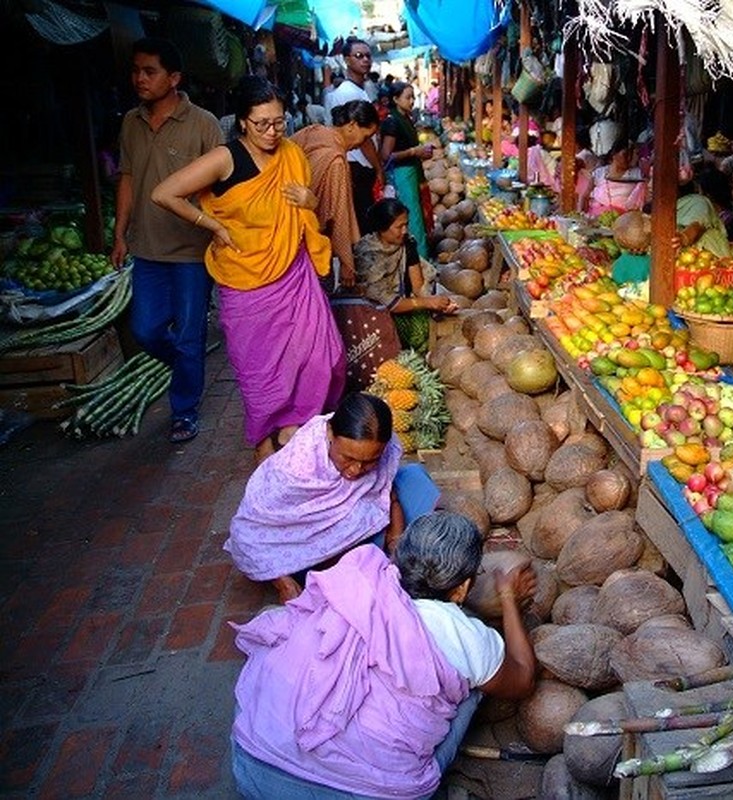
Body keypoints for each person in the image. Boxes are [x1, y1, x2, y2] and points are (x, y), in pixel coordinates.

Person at [230, 511, 538, 799]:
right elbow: (523, 680)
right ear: (461, 589)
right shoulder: (466, 636)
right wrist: (509, 598)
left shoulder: (357, 581)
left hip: (252, 765)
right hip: (362, 793)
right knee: (473, 687)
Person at [151, 76, 346, 464]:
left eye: (279, 121)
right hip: (244, 283)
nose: (273, 132)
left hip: (294, 273)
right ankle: (264, 444)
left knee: (323, 357)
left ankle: (298, 430)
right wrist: (215, 226)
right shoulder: (226, 158)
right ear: (242, 121)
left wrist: (310, 200)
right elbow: (164, 193)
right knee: (259, 372)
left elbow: (308, 216)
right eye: (262, 124)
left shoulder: (292, 154)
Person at [110, 38, 223, 445]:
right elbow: (127, 177)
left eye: (149, 71)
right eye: (136, 70)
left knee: (191, 333)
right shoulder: (130, 122)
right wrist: (120, 232)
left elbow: (219, 188)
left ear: (174, 78)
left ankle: (184, 410)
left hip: (192, 251)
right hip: (147, 249)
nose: (139, 78)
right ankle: (187, 366)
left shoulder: (204, 124)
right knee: (146, 330)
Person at [226, 392, 403, 602]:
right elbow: (248, 533)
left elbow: (387, 493)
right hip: (293, 552)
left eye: (370, 461)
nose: (356, 470)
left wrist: (396, 539)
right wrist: (283, 582)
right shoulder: (296, 468)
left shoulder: (386, 447)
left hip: (345, 532)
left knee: (417, 482)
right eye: (348, 458)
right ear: (329, 433)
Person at [291, 100, 379, 289]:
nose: (361, 145)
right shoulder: (336, 161)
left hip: (287, 233)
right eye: (365, 137)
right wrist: (347, 262)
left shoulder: (314, 131)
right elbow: (338, 215)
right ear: (352, 125)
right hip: (312, 242)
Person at [354, 199, 456, 352]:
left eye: (406, 224)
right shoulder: (368, 255)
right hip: (373, 313)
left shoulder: (407, 243)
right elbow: (386, 302)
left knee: (425, 329)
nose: (405, 230)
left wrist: (437, 304)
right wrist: (427, 303)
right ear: (382, 229)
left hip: (402, 303)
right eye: (399, 226)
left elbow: (418, 287)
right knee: (415, 335)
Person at [323, 38, 385, 233]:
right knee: (360, 224)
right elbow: (363, 139)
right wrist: (378, 168)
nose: (365, 60)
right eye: (359, 56)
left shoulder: (359, 90)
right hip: (355, 166)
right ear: (347, 60)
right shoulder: (348, 93)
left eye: (368, 55)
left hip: (358, 166)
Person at [378, 82, 435, 259]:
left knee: (417, 217)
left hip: (411, 172)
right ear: (395, 99)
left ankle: (419, 258)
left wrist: (419, 153)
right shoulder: (392, 122)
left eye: (413, 97)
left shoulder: (405, 118)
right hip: (402, 175)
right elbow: (386, 155)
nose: (412, 101)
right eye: (407, 97)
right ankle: (419, 261)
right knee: (413, 220)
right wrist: (414, 151)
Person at [586, 139, 647, 217]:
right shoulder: (599, 173)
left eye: (631, 155)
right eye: (625, 155)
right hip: (597, 216)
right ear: (614, 154)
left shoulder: (637, 174)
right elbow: (585, 196)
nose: (628, 159)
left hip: (625, 219)